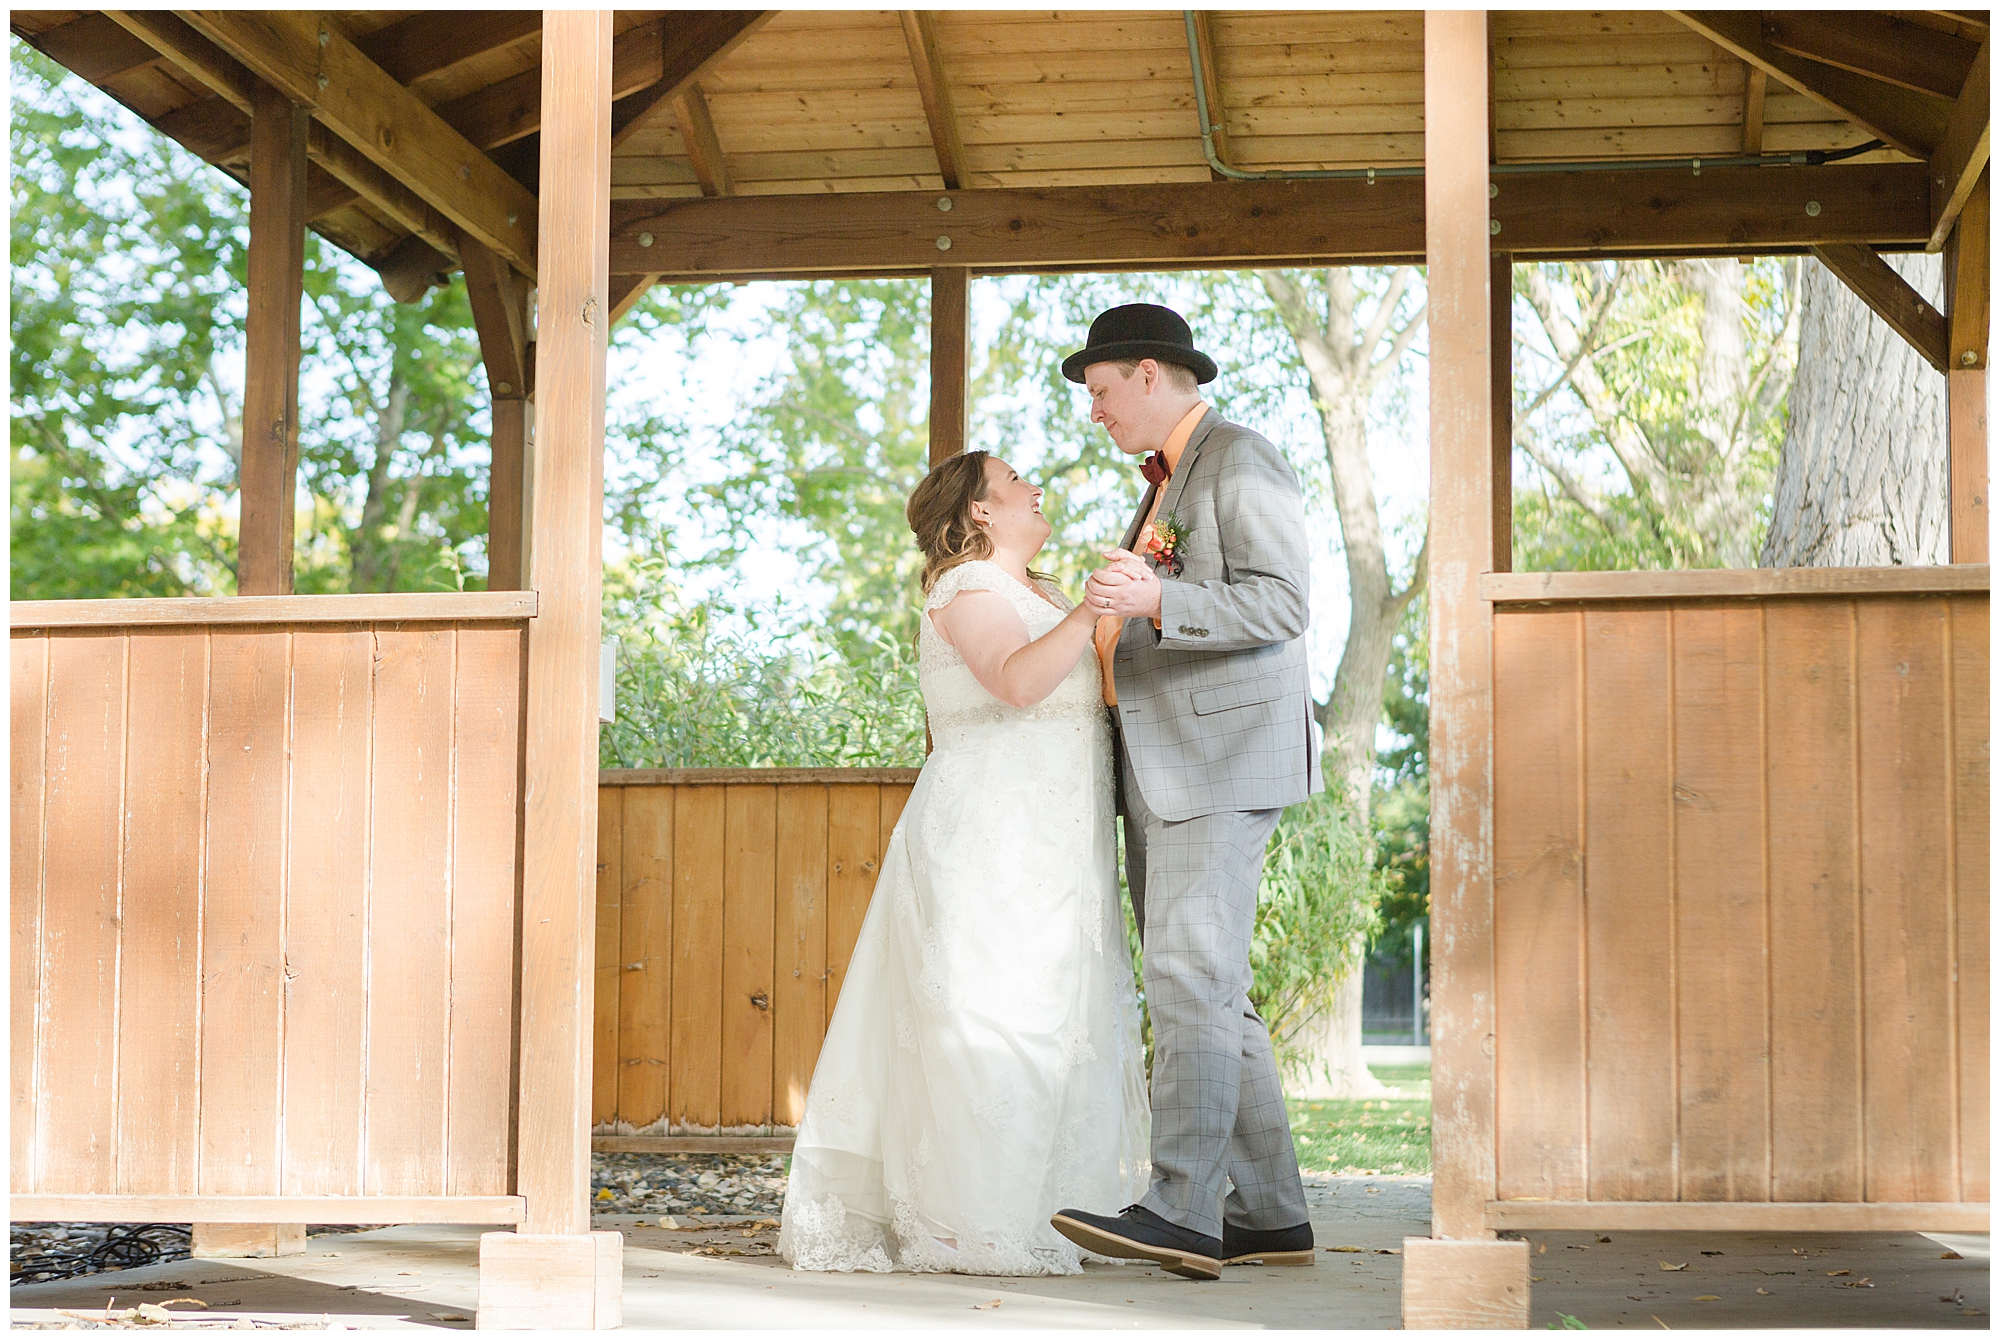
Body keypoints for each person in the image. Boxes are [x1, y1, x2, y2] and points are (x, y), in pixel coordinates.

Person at [777, 451, 1149, 1277]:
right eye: (1016, 479)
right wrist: (1089, 613)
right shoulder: (968, 591)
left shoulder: (1042, 597)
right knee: (991, 1014)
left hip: (1059, 839)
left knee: (1056, 1020)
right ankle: (966, 1219)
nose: (1035, 486)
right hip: (992, 832)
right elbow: (1016, 683)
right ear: (980, 510)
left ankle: (1046, 1208)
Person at [1048, 303, 1320, 1281]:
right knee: (1212, 990)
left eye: (1101, 389)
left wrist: (1156, 597)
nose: (1093, 410)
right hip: (1167, 765)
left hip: (1217, 760)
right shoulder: (1169, 478)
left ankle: (1179, 1207)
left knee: (1188, 980)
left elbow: (1283, 600)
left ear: (1151, 374)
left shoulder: (1238, 459)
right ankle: (1270, 1213)